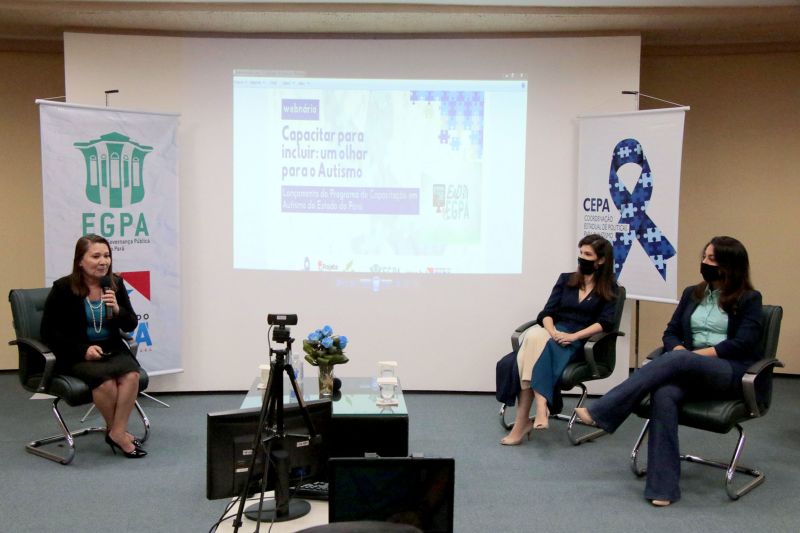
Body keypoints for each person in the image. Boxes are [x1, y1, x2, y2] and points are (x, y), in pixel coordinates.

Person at [575, 236, 762, 506]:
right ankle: (662, 488)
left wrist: (690, 357)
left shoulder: (749, 299)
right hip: (687, 367)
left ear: (730, 266)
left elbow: (743, 343)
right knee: (664, 394)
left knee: (678, 361)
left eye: (712, 259)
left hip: (727, 372)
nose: (704, 262)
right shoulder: (692, 293)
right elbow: (671, 332)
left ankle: (603, 410)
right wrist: (677, 351)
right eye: (704, 256)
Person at [500, 234, 619, 445]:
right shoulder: (566, 279)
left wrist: (573, 336)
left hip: (578, 339)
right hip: (553, 331)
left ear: (601, 260)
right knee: (537, 334)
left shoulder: (610, 288)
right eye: (580, 253)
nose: (582, 258)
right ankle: (541, 407)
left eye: (588, 254)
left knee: (532, 346)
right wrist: (552, 331)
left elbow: (605, 323)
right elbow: (547, 312)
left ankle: (524, 422)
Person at [41, 234, 147, 458]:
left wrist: (117, 310)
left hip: (111, 347)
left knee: (131, 376)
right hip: (76, 353)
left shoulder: (115, 284)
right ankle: (119, 433)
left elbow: (130, 324)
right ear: (80, 261)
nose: (103, 261)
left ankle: (116, 432)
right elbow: (49, 332)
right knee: (106, 383)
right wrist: (82, 350)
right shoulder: (63, 288)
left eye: (107, 256)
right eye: (96, 256)